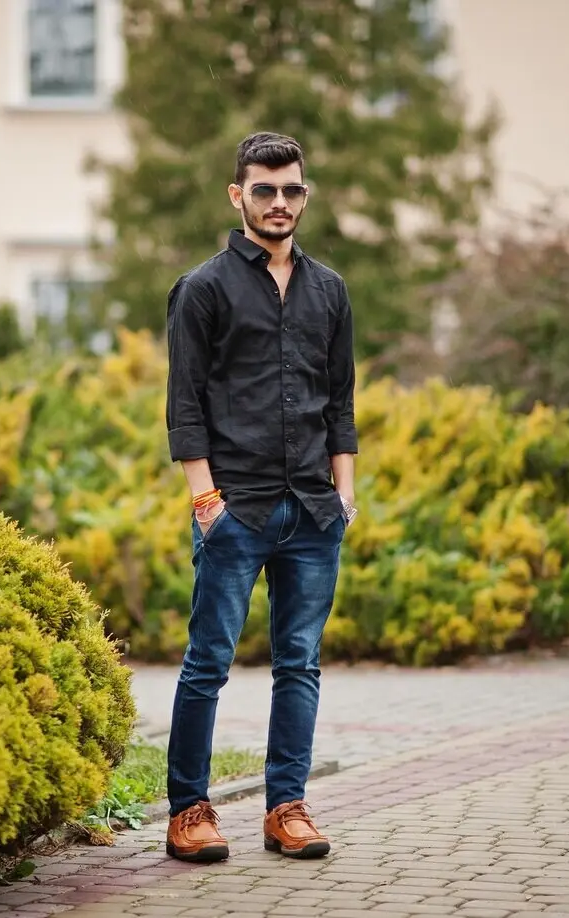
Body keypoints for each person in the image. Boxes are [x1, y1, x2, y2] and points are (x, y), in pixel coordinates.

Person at [163, 131, 358, 863]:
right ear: (237, 194)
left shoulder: (330, 290)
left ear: (304, 195)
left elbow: (339, 400)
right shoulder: (204, 288)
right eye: (265, 189)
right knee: (208, 660)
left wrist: (346, 493)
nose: (280, 203)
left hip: (313, 510)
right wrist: (204, 500)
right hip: (233, 509)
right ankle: (188, 812)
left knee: (300, 663)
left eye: (292, 190)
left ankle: (286, 809)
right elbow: (185, 405)